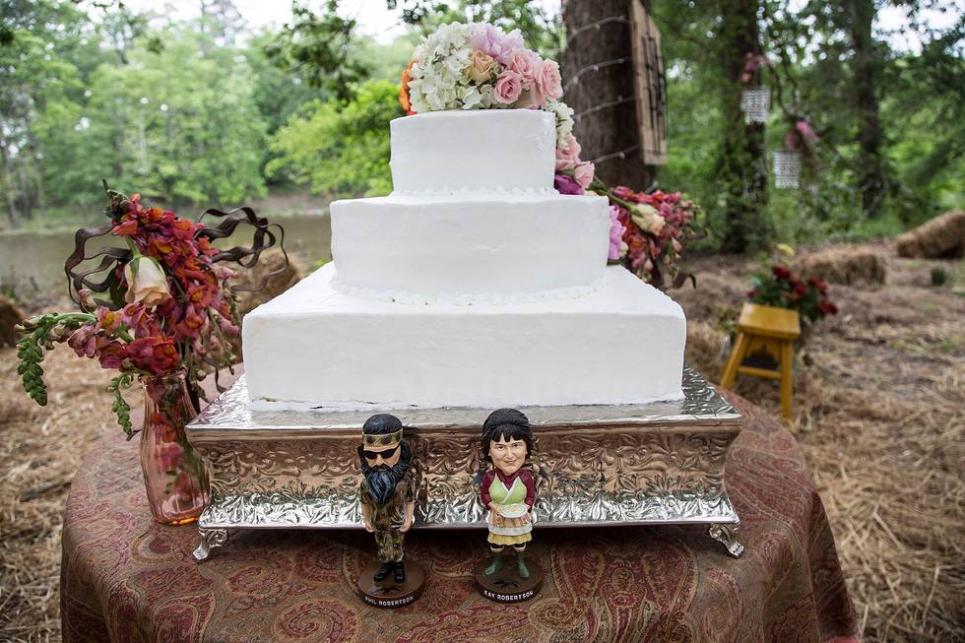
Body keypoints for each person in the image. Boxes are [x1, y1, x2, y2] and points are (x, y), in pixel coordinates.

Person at [358, 413, 417, 583]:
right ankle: (386, 565)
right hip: (379, 522)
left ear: (401, 451)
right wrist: (366, 519)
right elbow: (365, 503)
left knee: (397, 544)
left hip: (397, 522)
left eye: (387, 454)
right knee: (382, 544)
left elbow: (410, 500)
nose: (378, 462)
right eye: (371, 455)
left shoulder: (404, 482)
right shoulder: (366, 484)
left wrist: (408, 519)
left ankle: (398, 565)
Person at [479, 408, 536, 578]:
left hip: (519, 518)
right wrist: (493, 506)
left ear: (526, 449)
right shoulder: (490, 477)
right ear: (489, 451)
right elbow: (485, 495)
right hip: (498, 517)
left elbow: (531, 496)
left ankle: (521, 562)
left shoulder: (526, 478)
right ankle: (497, 561)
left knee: (520, 542)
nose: (509, 455)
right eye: (500, 447)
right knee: (497, 543)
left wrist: (526, 508)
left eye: (516, 445)